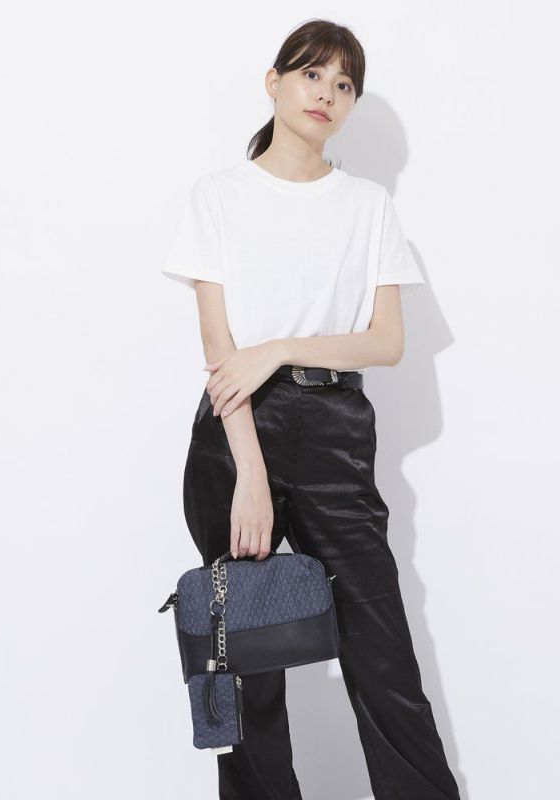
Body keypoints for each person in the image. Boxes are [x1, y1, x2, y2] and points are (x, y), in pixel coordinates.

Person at [160, 18, 461, 800]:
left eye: (344, 83)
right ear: (274, 83)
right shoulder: (218, 197)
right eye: (311, 74)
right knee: (248, 662)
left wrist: (279, 348)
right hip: (236, 439)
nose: (327, 93)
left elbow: (386, 341)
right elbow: (221, 352)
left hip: (335, 433)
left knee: (381, 653)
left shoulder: (367, 206)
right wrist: (251, 476)